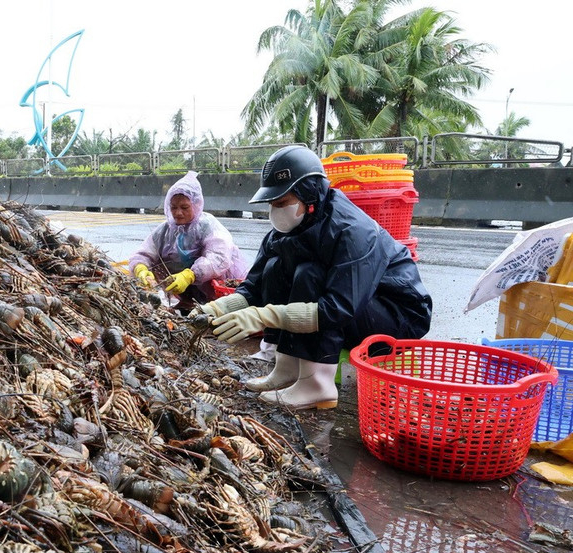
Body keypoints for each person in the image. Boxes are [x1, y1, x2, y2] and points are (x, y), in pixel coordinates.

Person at [195, 145, 433, 410]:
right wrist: (213, 310)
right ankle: (286, 368)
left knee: (312, 275)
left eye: (282, 202)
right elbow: (255, 285)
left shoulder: (353, 231)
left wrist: (264, 316)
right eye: (272, 203)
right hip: (353, 307)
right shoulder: (286, 230)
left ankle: (317, 385)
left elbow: (339, 308)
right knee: (275, 267)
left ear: (309, 195)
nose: (276, 210)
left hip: (396, 317)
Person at [128, 171, 248, 311]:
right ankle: (185, 302)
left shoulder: (208, 225)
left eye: (184, 208)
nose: (178, 213)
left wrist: (190, 275)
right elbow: (143, 253)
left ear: (196, 205)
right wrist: (140, 268)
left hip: (215, 290)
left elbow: (219, 257)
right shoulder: (165, 230)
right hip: (182, 289)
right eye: (173, 207)